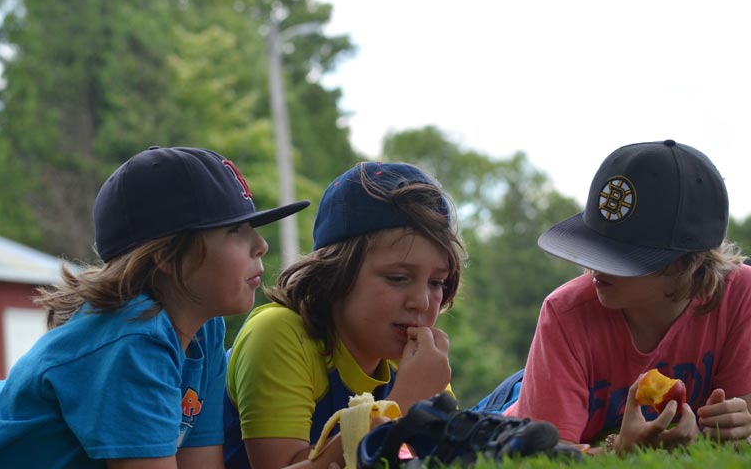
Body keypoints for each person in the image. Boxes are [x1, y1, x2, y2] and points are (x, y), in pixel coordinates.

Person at [0, 146, 309, 468]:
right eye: (235, 230)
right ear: (166, 256)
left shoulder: (205, 329)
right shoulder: (133, 339)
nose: (260, 244)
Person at [502, 139, 751, 453]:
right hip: (513, 410)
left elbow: (738, 426)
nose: (594, 265)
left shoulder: (741, 295)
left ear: (689, 261)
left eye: (622, 255)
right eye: (595, 246)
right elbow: (545, 455)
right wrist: (619, 448)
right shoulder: (565, 311)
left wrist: (736, 425)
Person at [222, 161, 467, 469]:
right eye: (397, 278)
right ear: (332, 275)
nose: (421, 302)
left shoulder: (416, 363)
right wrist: (402, 405)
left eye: (437, 283)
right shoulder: (278, 333)